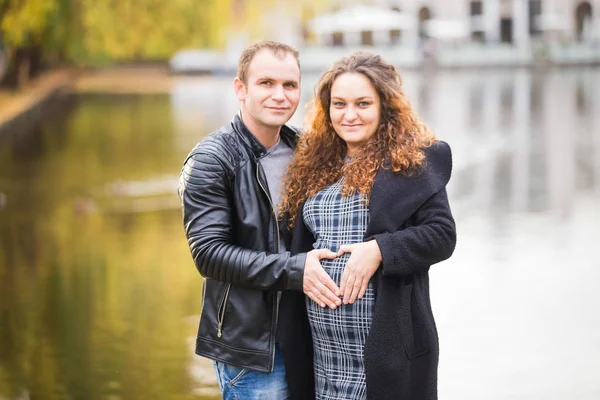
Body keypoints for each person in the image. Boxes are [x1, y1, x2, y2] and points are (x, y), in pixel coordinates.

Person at [278, 52, 457, 400]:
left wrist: (380, 250)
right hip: (322, 353)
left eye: (363, 103)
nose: (349, 115)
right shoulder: (313, 166)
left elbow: (442, 235)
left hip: (384, 350)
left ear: (384, 106)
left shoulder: (412, 162)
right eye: (339, 104)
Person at [178, 41, 342, 400]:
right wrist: (297, 270)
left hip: (310, 334)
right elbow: (209, 254)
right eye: (266, 83)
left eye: (289, 85)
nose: (279, 95)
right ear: (241, 88)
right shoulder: (212, 159)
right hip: (253, 348)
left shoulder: (306, 151)